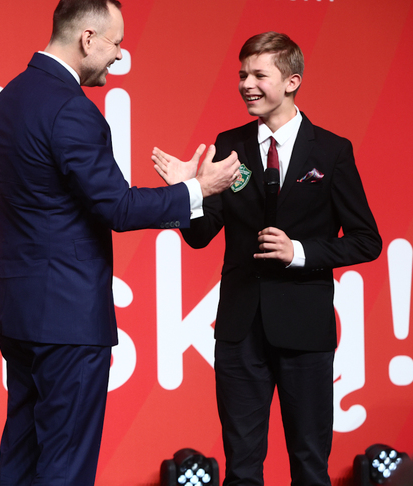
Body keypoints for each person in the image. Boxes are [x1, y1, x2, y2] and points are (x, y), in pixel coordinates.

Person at [0, 0, 240, 486]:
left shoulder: (10, 98)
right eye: (116, 43)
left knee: (20, 459)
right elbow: (116, 207)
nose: (120, 54)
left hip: (19, 309)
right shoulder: (72, 109)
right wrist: (196, 189)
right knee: (65, 466)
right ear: (87, 38)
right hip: (66, 317)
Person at [153, 32, 381, 486]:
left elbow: (366, 240)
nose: (246, 84)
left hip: (305, 330)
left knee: (310, 465)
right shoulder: (228, 143)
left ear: (293, 80)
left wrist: (298, 252)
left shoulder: (332, 151)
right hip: (240, 332)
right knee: (241, 467)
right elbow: (201, 236)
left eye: (259, 74)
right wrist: (187, 193)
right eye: (242, 75)